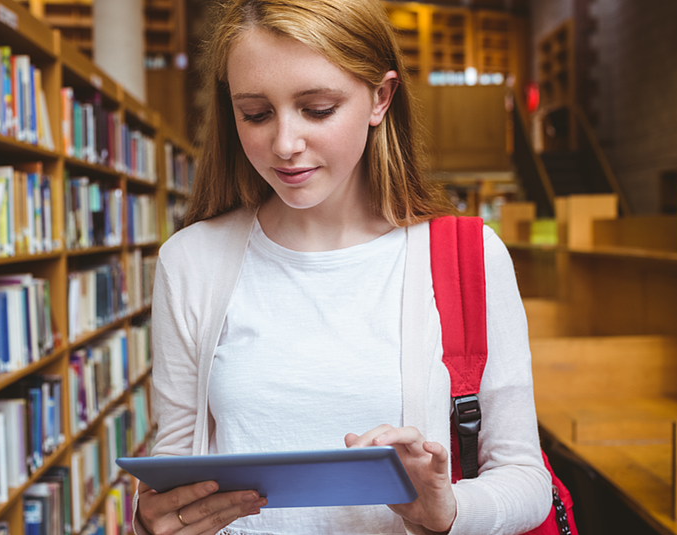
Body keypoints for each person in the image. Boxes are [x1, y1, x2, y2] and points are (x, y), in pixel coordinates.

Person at [135, 0, 552, 533]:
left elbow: (525, 475)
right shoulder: (190, 261)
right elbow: (177, 464)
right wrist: (153, 521)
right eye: (256, 114)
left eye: (318, 108)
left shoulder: (472, 257)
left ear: (381, 97)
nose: (284, 144)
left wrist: (449, 510)